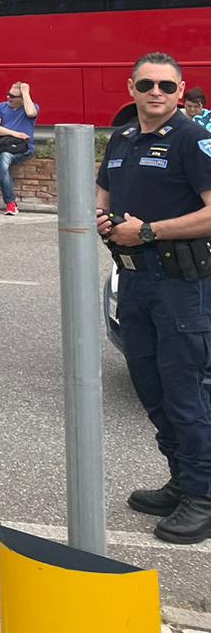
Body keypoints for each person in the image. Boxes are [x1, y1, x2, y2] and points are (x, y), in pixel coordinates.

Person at [98, 52, 211, 544]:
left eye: (167, 86)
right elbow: (103, 191)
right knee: (150, 387)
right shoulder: (122, 139)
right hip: (136, 283)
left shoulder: (193, 140)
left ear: (181, 92)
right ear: (131, 88)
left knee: (187, 393)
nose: (156, 93)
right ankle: (182, 479)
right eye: (147, 84)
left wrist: (147, 232)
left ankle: (203, 496)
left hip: (184, 288)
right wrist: (103, 217)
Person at [0, 81, 38, 216]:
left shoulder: (31, 107)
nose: (9, 98)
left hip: (23, 149)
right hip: (5, 146)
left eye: (13, 96)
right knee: (5, 158)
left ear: (22, 98)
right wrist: (16, 134)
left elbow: (31, 113)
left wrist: (26, 92)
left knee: (4, 158)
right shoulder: (1, 107)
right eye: (8, 94)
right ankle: (10, 204)